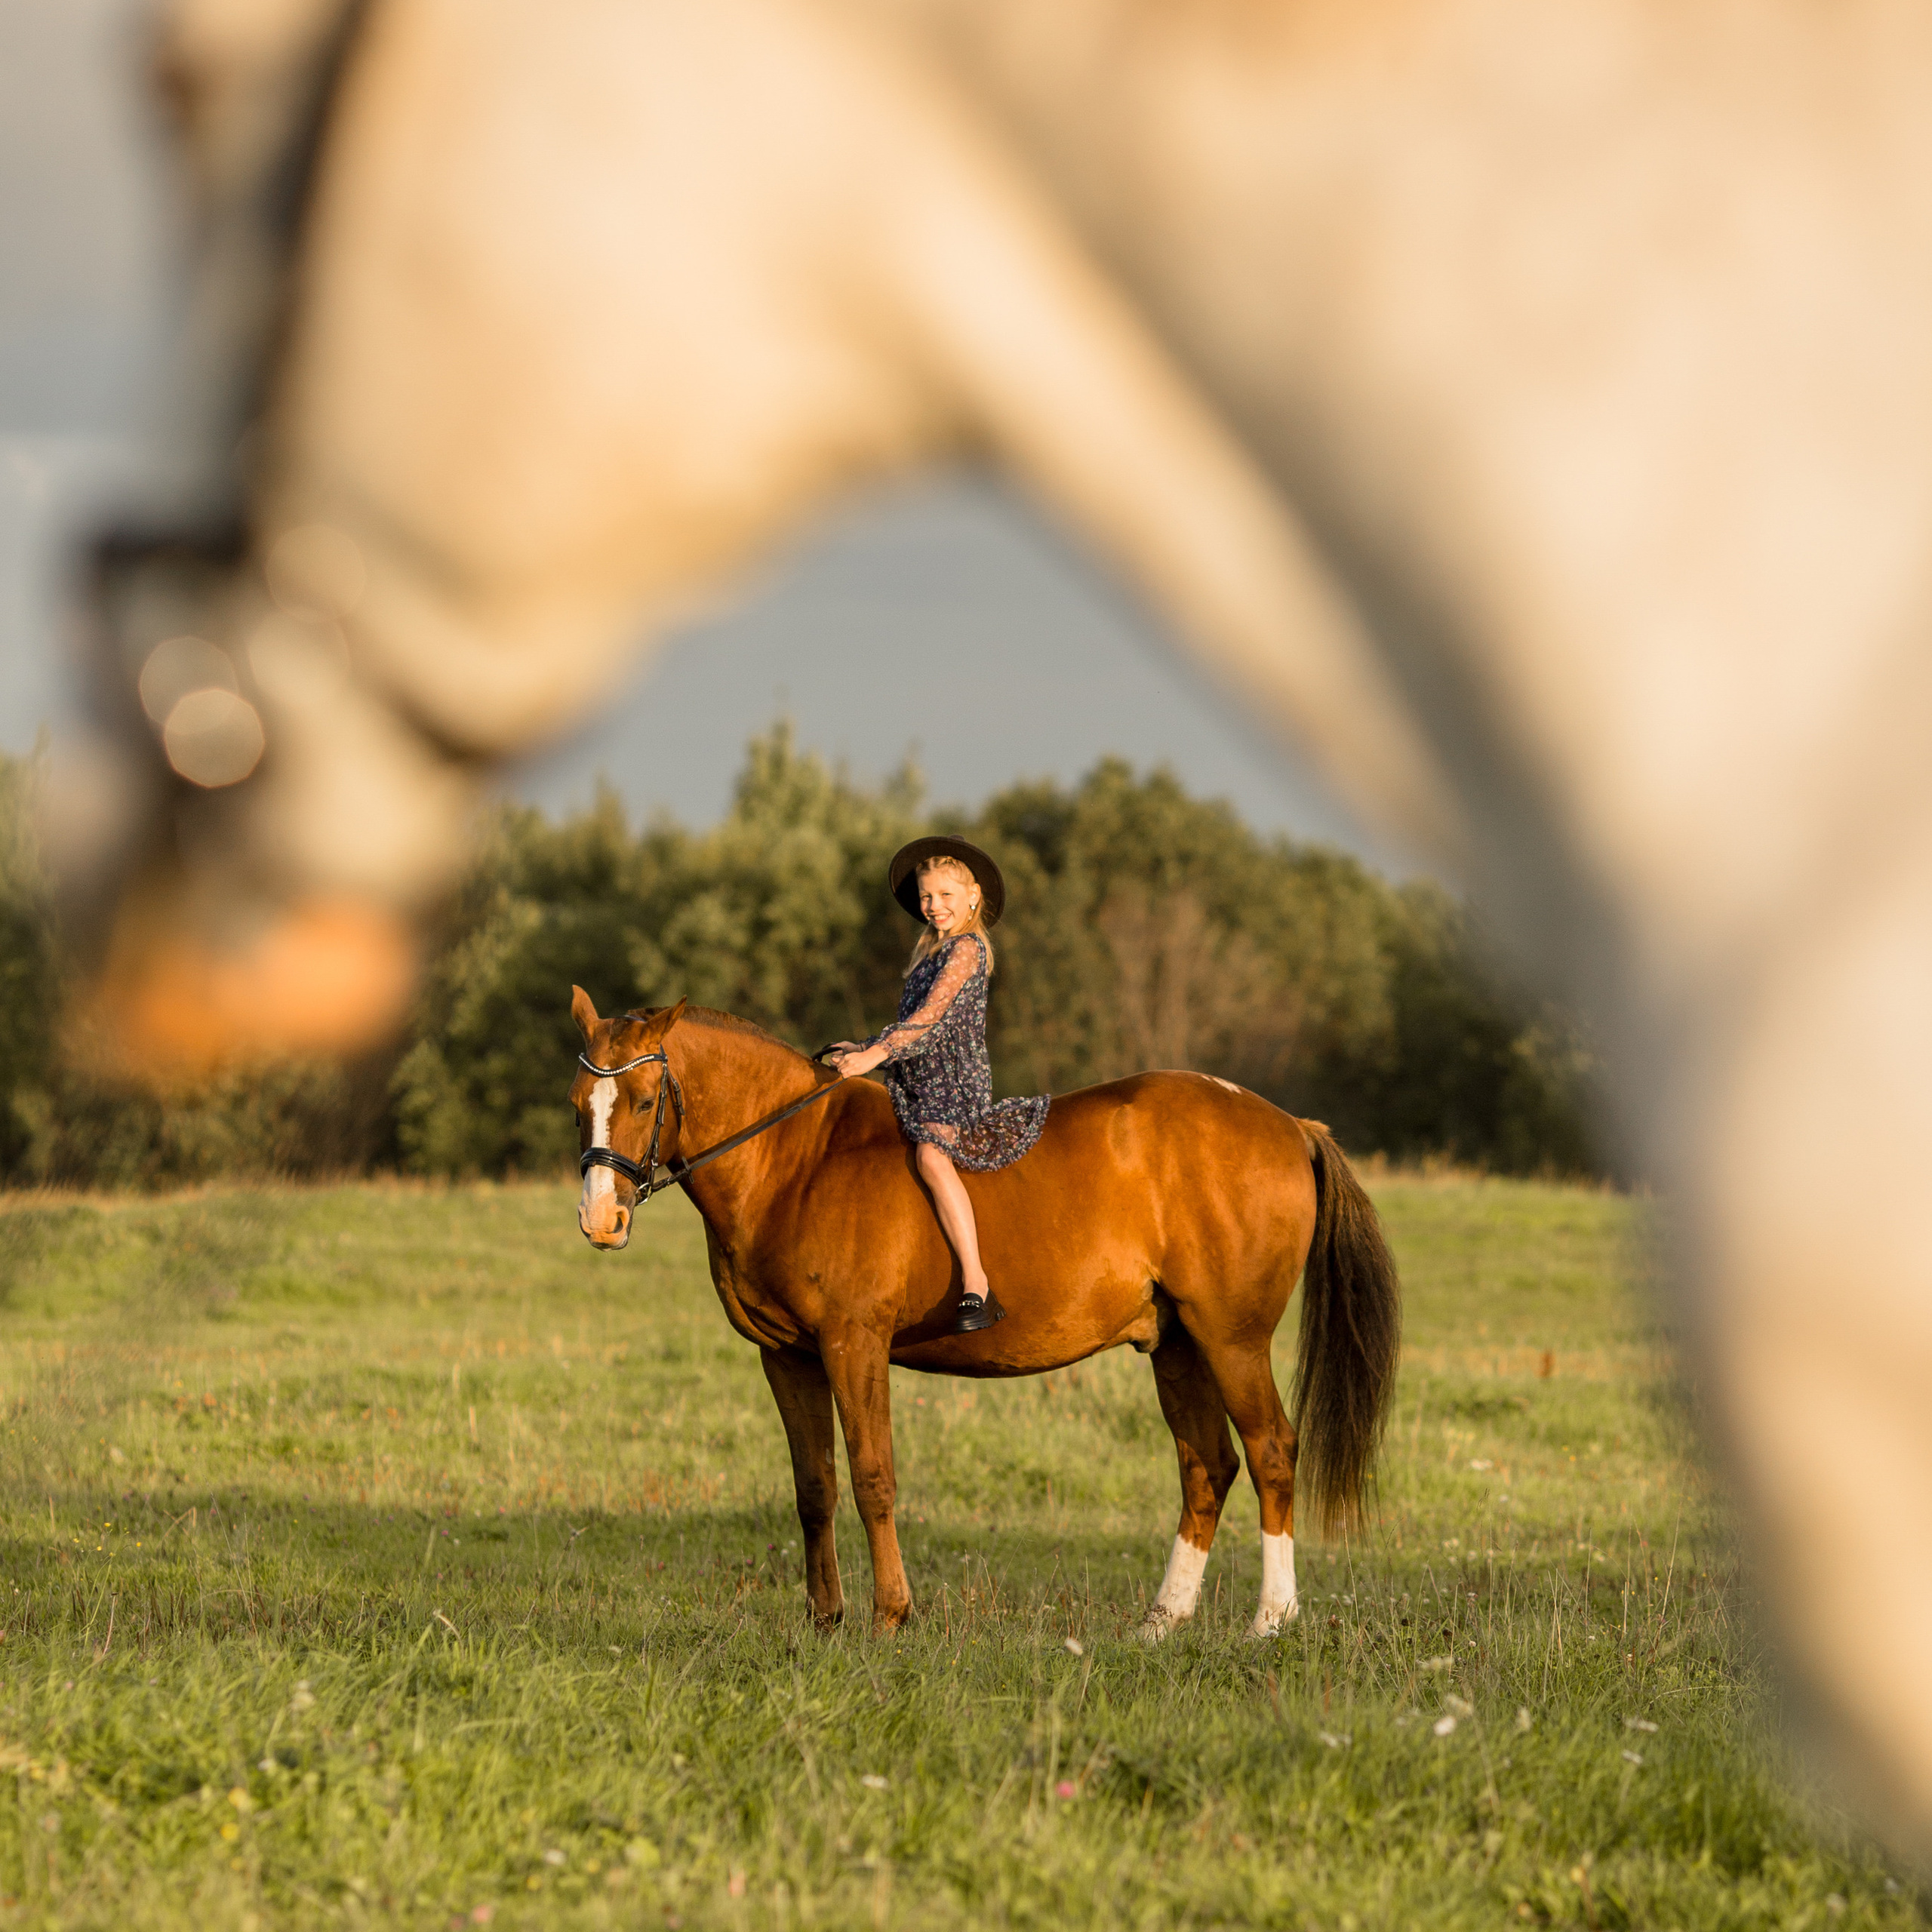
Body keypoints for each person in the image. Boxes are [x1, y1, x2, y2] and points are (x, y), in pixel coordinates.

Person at [826, 836, 1048, 1333]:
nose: (935, 905)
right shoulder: (932, 953)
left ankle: (976, 1281)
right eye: (927, 897)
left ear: (973, 897)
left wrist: (875, 1056)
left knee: (930, 1156)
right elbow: (910, 1022)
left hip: (952, 1083)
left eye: (946, 895)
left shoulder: (968, 950)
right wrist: (860, 1046)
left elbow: (930, 1020)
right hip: (915, 1077)